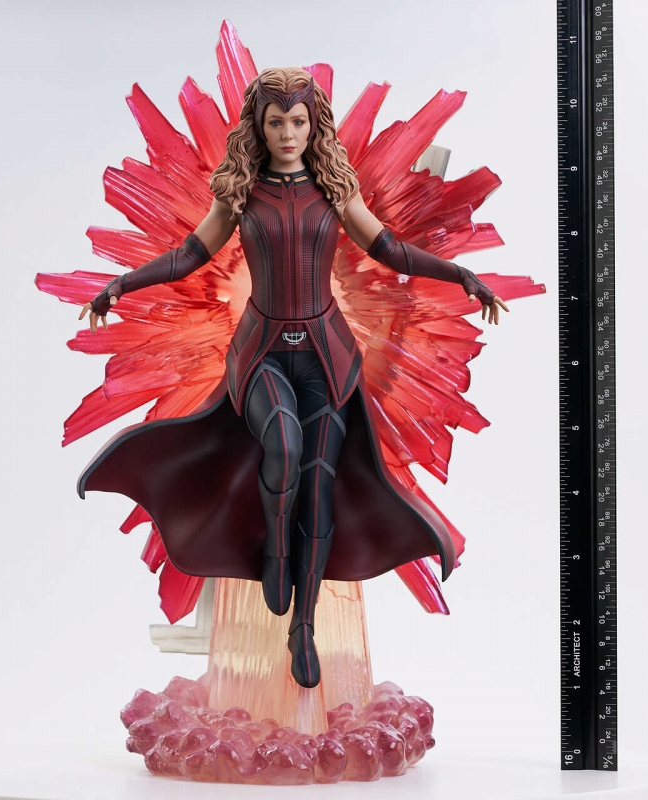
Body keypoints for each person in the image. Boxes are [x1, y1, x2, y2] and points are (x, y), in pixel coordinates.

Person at [77, 67, 509, 689]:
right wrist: (120, 284)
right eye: (276, 121)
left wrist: (461, 276)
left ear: (313, 126)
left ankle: (302, 626)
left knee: (319, 489)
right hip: (261, 352)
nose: (287, 133)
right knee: (282, 445)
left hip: (329, 357)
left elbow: (388, 247)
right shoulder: (240, 191)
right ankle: (275, 551)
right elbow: (191, 254)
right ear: (259, 125)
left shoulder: (334, 188)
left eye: (298, 121)